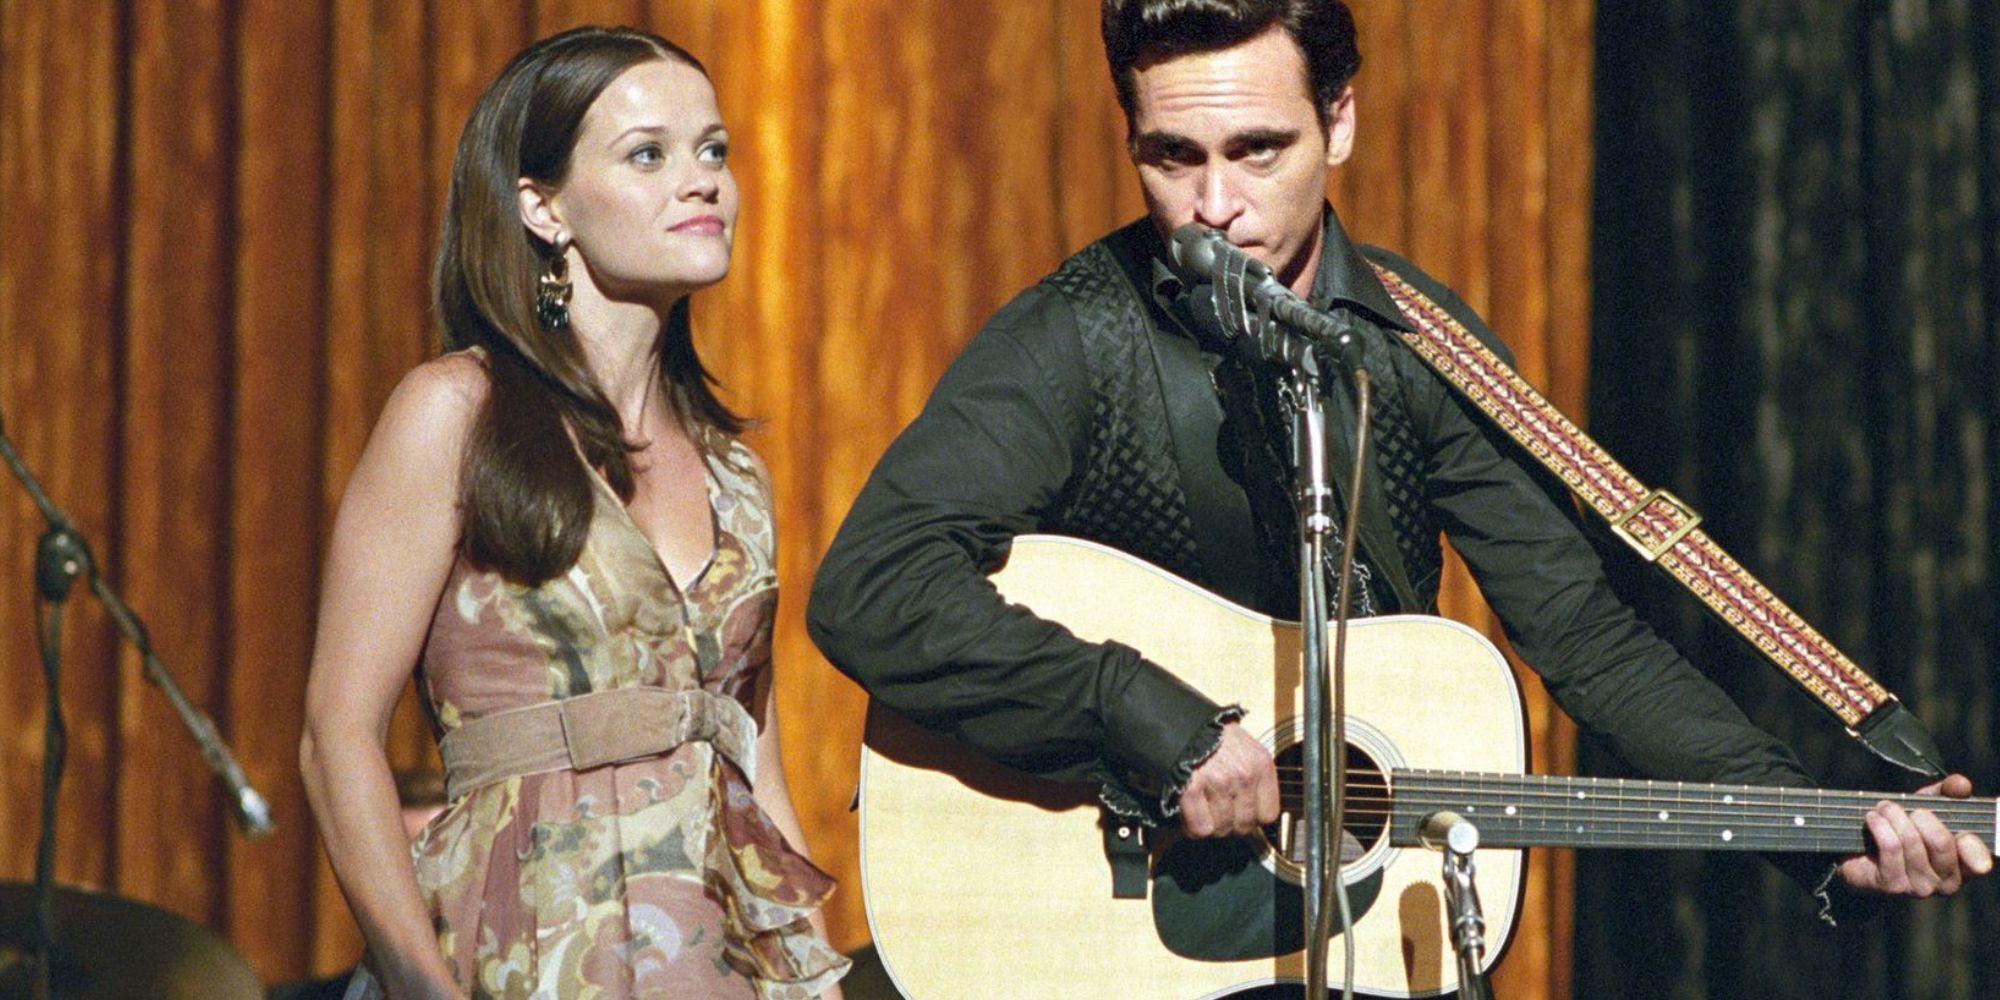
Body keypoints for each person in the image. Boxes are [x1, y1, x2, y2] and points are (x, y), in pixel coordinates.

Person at [807, 0, 1990, 986]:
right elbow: (869, 586)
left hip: (1349, 935)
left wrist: (1818, 842)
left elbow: (1582, 635)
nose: (1213, 206)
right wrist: (1147, 717)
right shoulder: (1072, 337)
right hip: (1113, 920)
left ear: (1341, 121)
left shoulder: (1416, 339)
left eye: (1256, 150)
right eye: (1172, 156)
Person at [300, 26, 847, 1000]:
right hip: (516, 949)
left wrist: (816, 975)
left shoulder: (736, 476)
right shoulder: (454, 413)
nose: (701, 181)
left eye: (712, 149)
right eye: (649, 154)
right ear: (541, 207)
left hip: (715, 960)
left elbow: (754, 766)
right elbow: (335, 734)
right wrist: (420, 985)